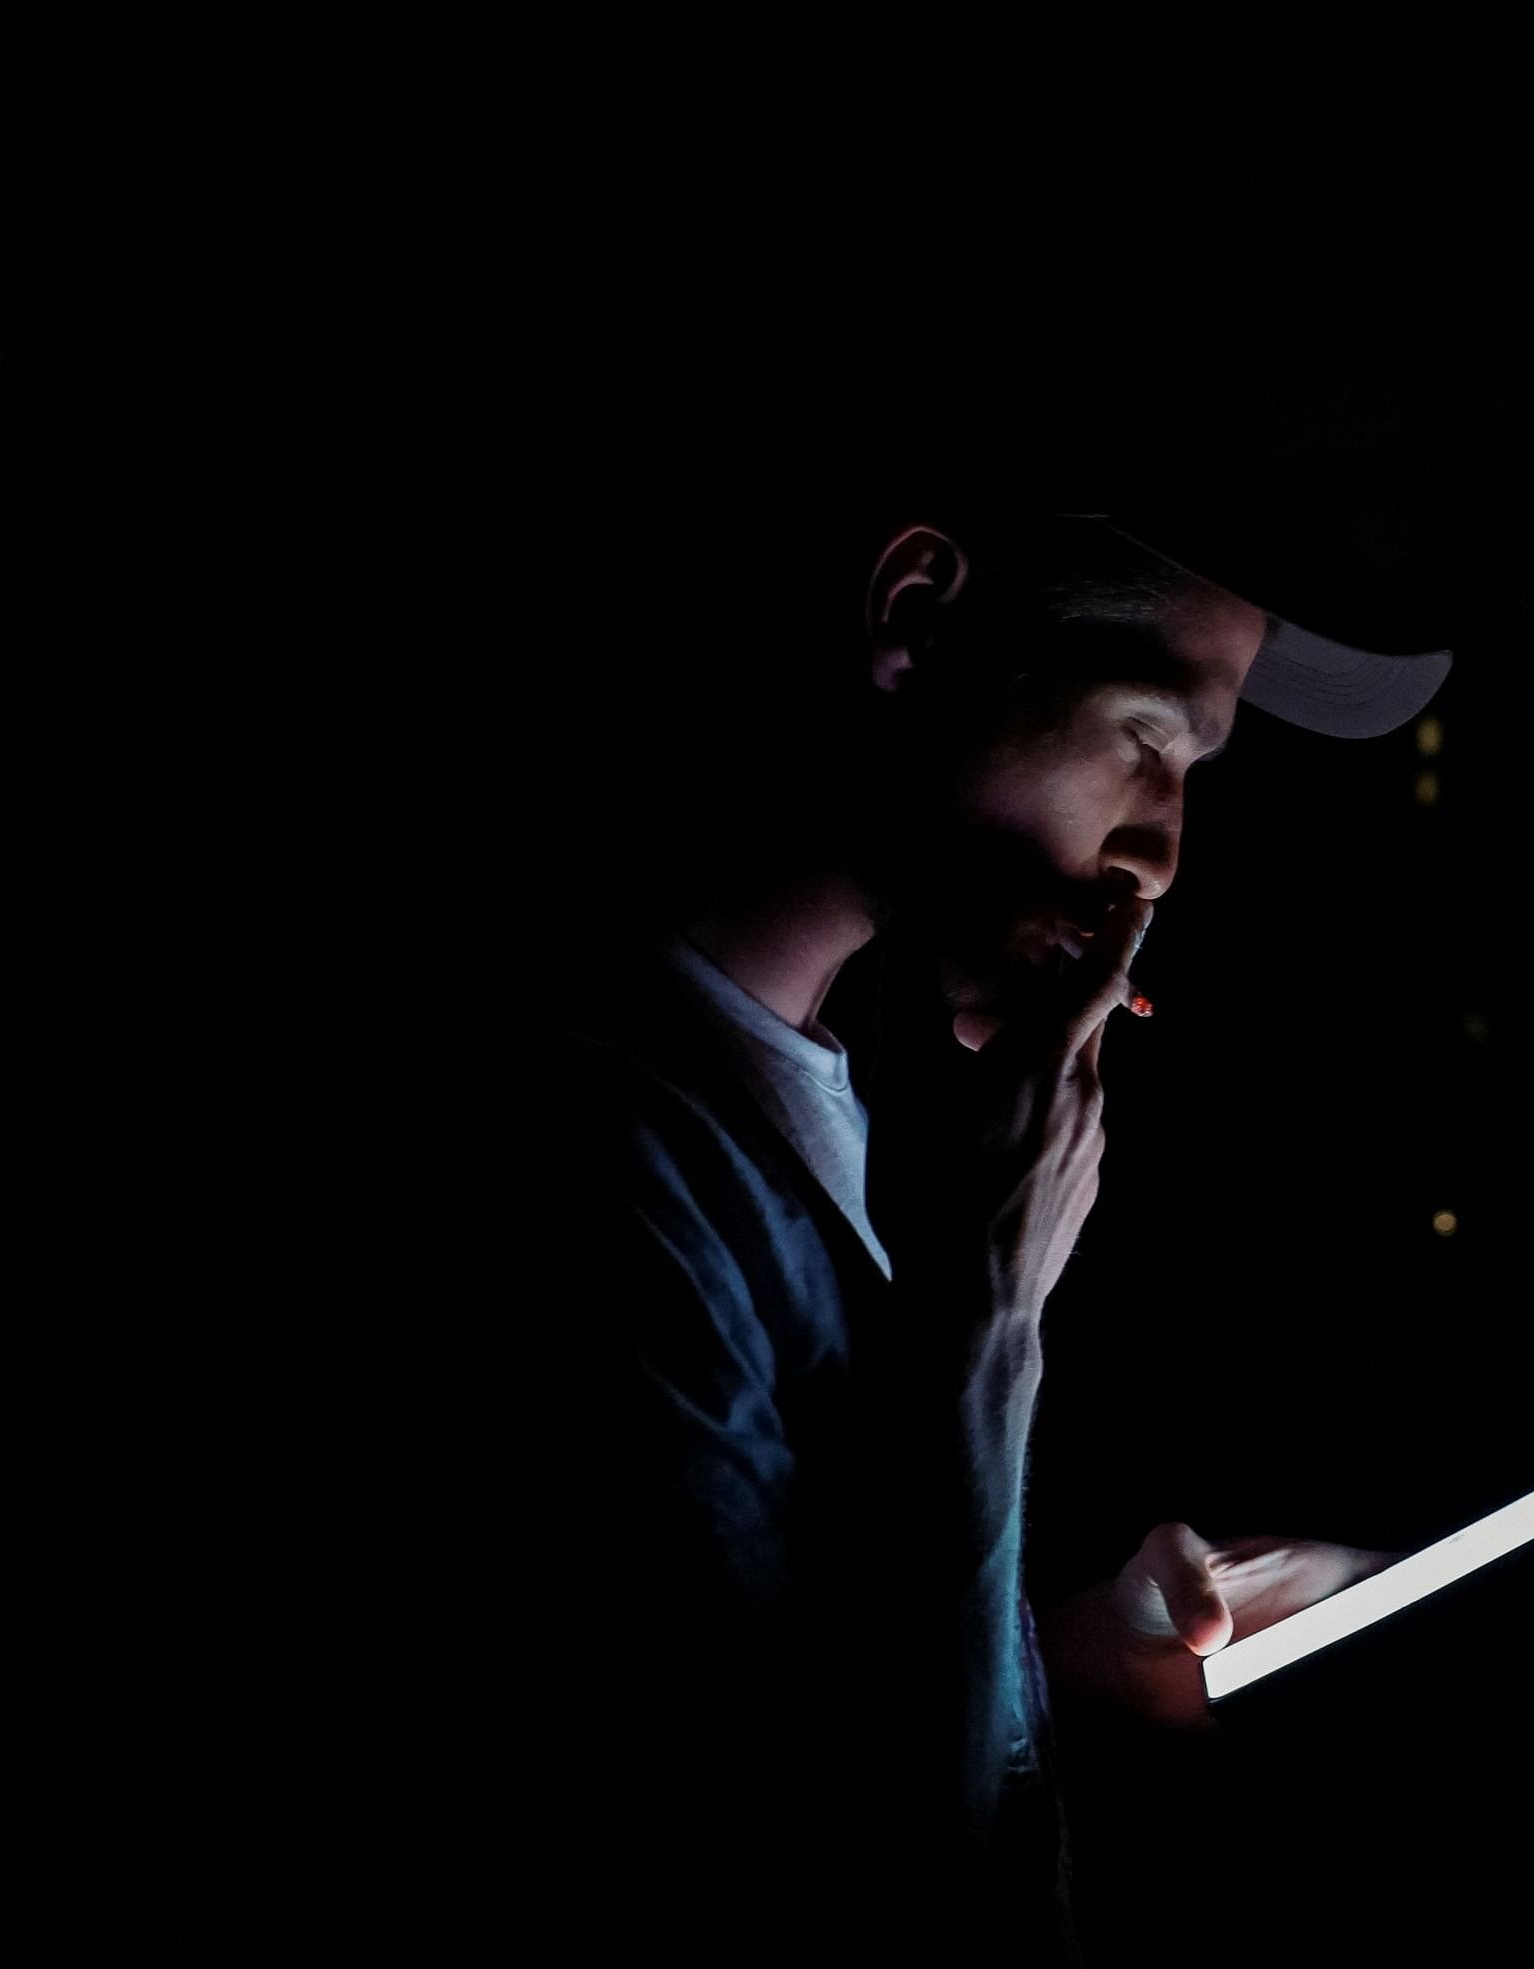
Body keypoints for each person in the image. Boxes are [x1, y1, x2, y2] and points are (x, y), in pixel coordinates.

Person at [386, 493, 1456, 1957]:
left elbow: (803, 1663)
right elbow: (832, 1885)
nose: (1158, 856)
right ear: (919, 615)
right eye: (1149, 741)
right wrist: (988, 1329)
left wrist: (1072, 1658)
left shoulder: (805, 1082)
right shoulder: (592, 1172)